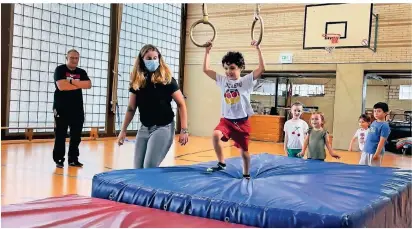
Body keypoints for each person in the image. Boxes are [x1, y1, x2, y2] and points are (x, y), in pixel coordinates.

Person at [117, 44, 189, 169]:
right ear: (142, 60)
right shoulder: (137, 82)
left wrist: (184, 130)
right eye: (149, 58)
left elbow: (181, 104)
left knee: (149, 166)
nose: (153, 61)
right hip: (145, 128)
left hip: (163, 127)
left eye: (155, 58)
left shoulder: (167, 80)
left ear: (159, 59)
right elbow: (131, 108)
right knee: (138, 169)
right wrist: (123, 131)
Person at [202, 40, 265, 179]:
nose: (228, 71)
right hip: (226, 120)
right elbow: (206, 69)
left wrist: (258, 49)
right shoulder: (223, 81)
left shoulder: (246, 81)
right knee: (215, 135)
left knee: (244, 152)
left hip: (242, 123)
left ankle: (246, 174)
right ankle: (221, 163)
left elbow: (261, 68)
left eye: (231, 68)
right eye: (226, 68)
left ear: (240, 67)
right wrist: (207, 51)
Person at [53, 49, 91, 168]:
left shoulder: (81, 71)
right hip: (61, 108)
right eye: (72, 58)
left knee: (76, 136)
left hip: (77, 109)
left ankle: (73, 159)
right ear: (67, 58)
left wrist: (70, 82)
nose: (74, 60)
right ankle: (59, 159)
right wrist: (78, 84)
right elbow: (61, 86)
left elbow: (88, 85)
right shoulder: (60, 70)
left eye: (76, 58)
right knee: (60, 135)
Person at [362, 102, 391, 166]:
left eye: (379, 111)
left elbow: (382, 141)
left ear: (385, 113)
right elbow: (371, 134)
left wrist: (377, 154)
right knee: (362, 168)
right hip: (366, 150)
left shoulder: (384, 126)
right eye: (374, 111)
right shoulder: (374, 122)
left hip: (374, 152)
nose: (376, 113)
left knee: (373, 172)